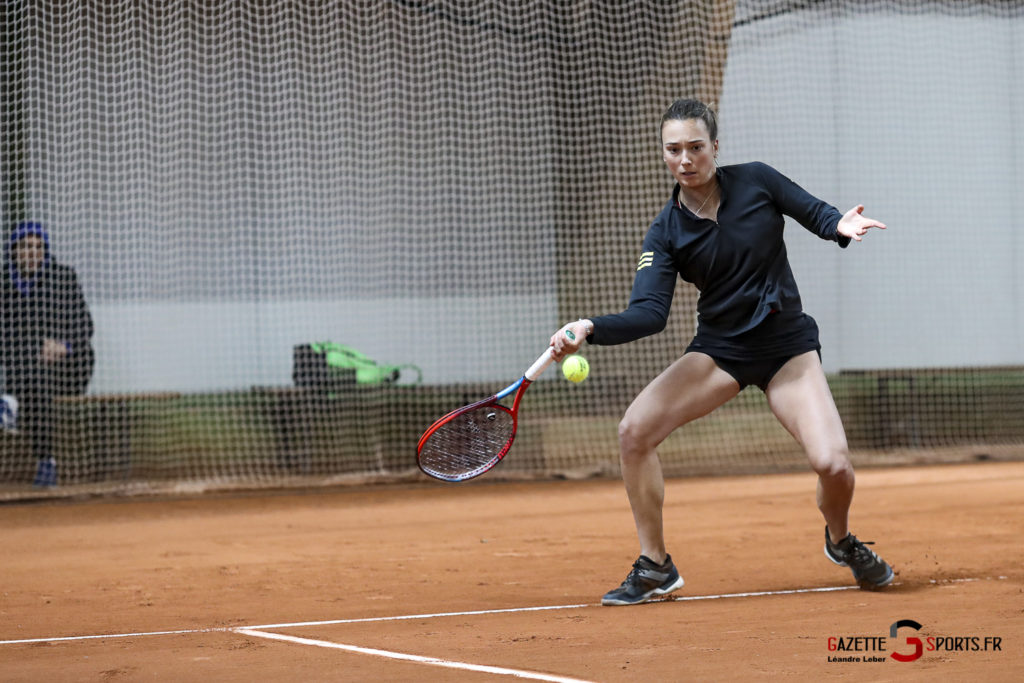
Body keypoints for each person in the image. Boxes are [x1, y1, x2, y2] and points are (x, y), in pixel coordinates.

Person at [549, 98, 893, 606]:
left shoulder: (757, 181)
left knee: (834, 465)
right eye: (673, 150)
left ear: (715, 146)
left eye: (695, 147)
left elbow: (815, 212)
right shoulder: (665, 233)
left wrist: (839, 226)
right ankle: (655, 566)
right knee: (634, 431)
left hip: (786, 350)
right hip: (720, 351)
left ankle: (840, 540)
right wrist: (588, 327)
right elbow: (648, 314)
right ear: (662, 154)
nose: (685, 159)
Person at [1, 221, 95, 487]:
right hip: (32, 373)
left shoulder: (63, 277)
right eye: (27, 246)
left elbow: (86, 325)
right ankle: (46, 463)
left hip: (68, 369)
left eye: (39, 247)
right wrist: (33, 347)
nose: (33, 252)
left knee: (37, 374)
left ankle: (10, 403)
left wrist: (62, 346)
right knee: (35, 378)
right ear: (14, 250)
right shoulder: (3, 285)